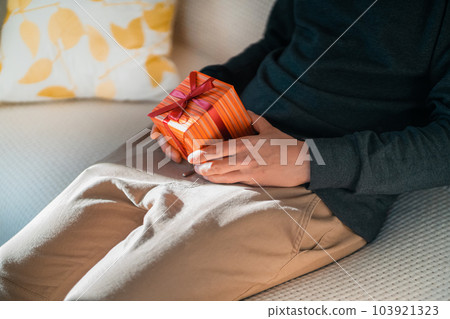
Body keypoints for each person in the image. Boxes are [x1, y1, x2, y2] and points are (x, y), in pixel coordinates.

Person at [1, 0, 449, 300]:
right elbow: (276, 46)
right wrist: (196, 96)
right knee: (12, 281)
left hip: (311, 188)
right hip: (209, 132)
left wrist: (305, 160)